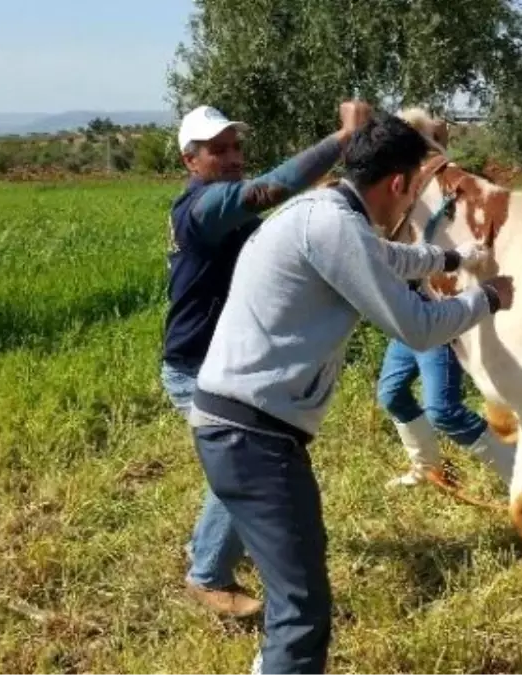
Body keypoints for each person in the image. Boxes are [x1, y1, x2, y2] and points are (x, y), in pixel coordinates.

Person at [187, 113, 515, 675]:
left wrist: (453, 259)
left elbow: (388, 258)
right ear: (399, 185)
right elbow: (416, 324)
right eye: (414, 189)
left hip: (242, 428)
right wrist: (488, 298)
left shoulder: (323, 214)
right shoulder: (334, 227)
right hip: (252, 436)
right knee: (303, 611)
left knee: (299, 600)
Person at [160, 99, 372, 619]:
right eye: (218, 150)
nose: (233, 157)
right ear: (190, 161)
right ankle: (207, 574)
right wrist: (342, 139)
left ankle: (207, 550)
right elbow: (268, 189)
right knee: (247, 460)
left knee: (238, 462)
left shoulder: (223, 209)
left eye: (236, 147)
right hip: (196, 368)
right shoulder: (202, 208)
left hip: (223, 362)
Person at [376, 338, 515, 489]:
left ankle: (521, 476)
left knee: (443, 412)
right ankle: (427, 470)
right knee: (392, 396)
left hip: (436, 328)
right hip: (404, 332)